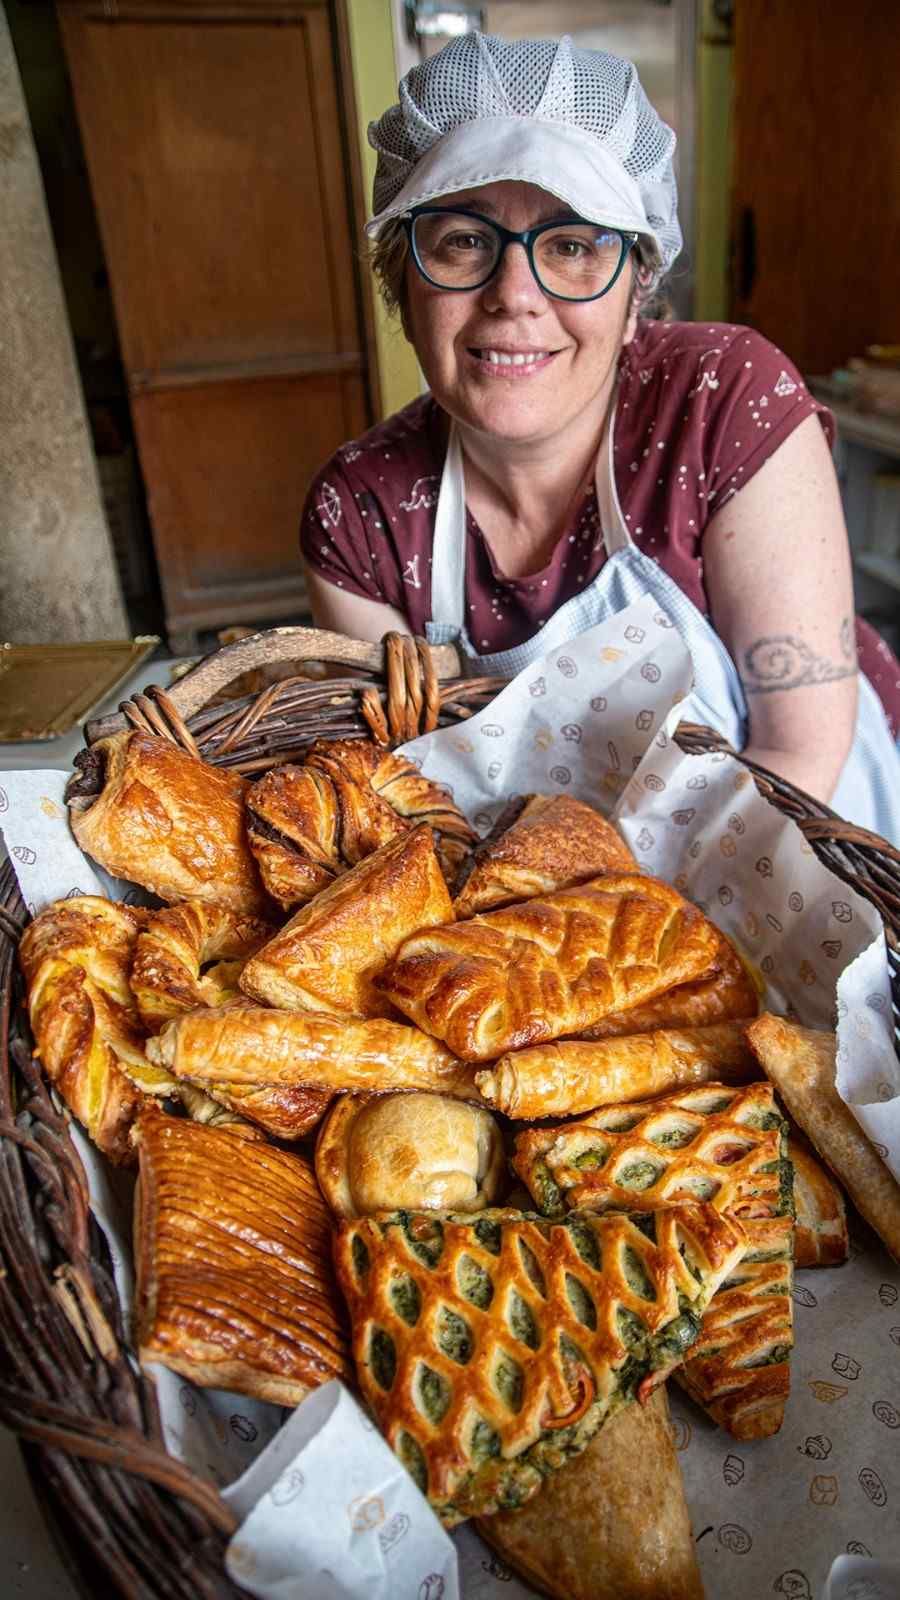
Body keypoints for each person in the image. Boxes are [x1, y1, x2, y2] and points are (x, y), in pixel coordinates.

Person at [300, 32, 900, 842]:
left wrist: (637, 939)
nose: (514, 294)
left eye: (575, 245)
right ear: (401, 285)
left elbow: (799, 750)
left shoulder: (722, 401)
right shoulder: (361, 517)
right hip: (529, 903)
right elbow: (415, 802)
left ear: (636, 294)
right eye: (465, 240)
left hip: (802, 850)